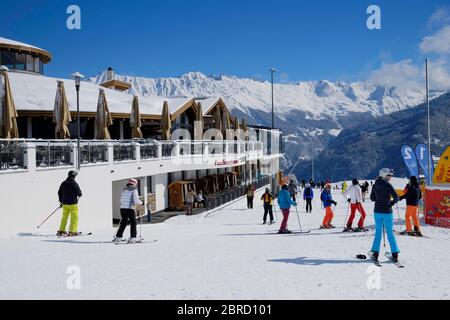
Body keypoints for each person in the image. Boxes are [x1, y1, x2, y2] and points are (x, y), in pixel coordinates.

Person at [369, 168, 400, 263]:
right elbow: (396, 197)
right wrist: (391, 203)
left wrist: (379, 198)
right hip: (387, 211)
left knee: (378, 232)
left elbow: (372, 198)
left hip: (377, 211)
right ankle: (395, 255)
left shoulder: (375, 185)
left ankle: (375, 254)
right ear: (385, 175)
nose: (390, 177)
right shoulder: (388, 185)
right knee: (390, 233)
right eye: (389, 175)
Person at [113, 179, 143, 243]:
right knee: (133, 223)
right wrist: (141, 203)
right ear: (134, 183)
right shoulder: (134, 190)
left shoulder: (124, 190)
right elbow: (136, 200)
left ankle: (118, 237)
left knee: (124, 223)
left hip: (122, 209)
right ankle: (133, 238)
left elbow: (121, 200)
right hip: (130, 208)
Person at [57, 170, 82, 237]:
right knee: (74, 217)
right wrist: (79, 195)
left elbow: (59, 192)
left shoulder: (64, 183)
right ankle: (72, 231)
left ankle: (61, 230)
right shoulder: (74, 183)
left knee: (64, 217)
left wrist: (61, 201)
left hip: (65, 204)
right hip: (73, 204)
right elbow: (79, 193)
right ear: (73, 176)